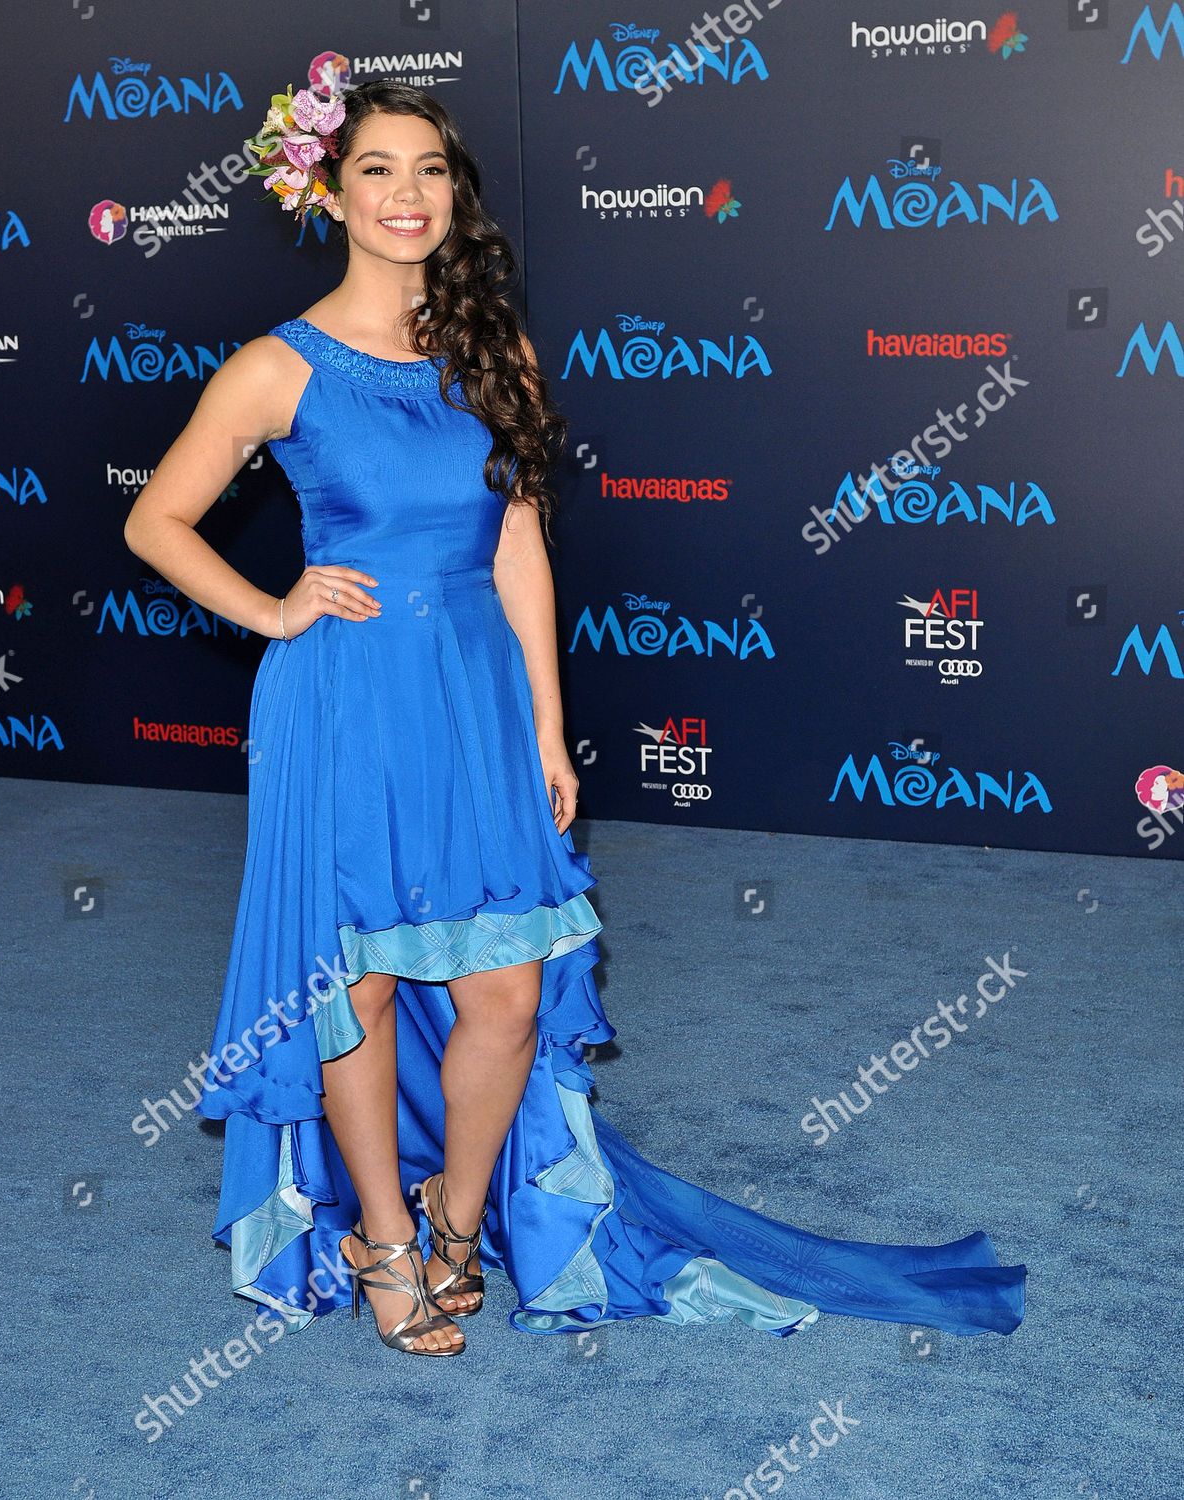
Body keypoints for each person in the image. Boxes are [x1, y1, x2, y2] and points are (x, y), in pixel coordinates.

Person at [124, 78, 1026, 1359]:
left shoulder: (491, 353)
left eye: (431, 172)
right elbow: (153, 519)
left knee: (505, 992)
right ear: (326, 190)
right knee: (358, 986)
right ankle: (384, 1237)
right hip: (347, 703)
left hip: (480, 696)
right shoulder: (277, 365)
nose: (407, 198)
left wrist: (548, 729)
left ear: (455, 194)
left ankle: (456, 1217)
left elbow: (521, 552)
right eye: (377, 170)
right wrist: (271, 609)